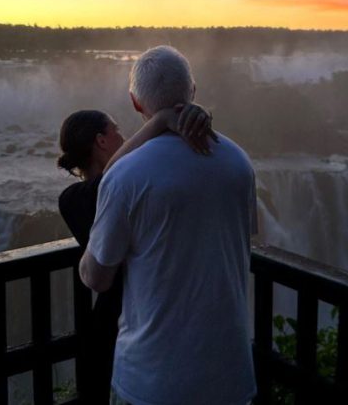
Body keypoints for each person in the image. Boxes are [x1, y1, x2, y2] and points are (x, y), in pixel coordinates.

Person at [79, 45, 258, 405]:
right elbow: (244, 238)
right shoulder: (239, 162)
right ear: (193, 92)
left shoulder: (126, 176)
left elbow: (97, 278)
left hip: (153, 381)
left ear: (135, 102)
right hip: (231, 376)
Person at [56, 104, 214, 404]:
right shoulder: (79, 198)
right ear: (102, 141)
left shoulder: (110, 190)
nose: (126, 137)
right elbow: (109, 182)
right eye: (117, 132)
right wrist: (159, 122)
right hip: (123, 323)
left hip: (128, 319)